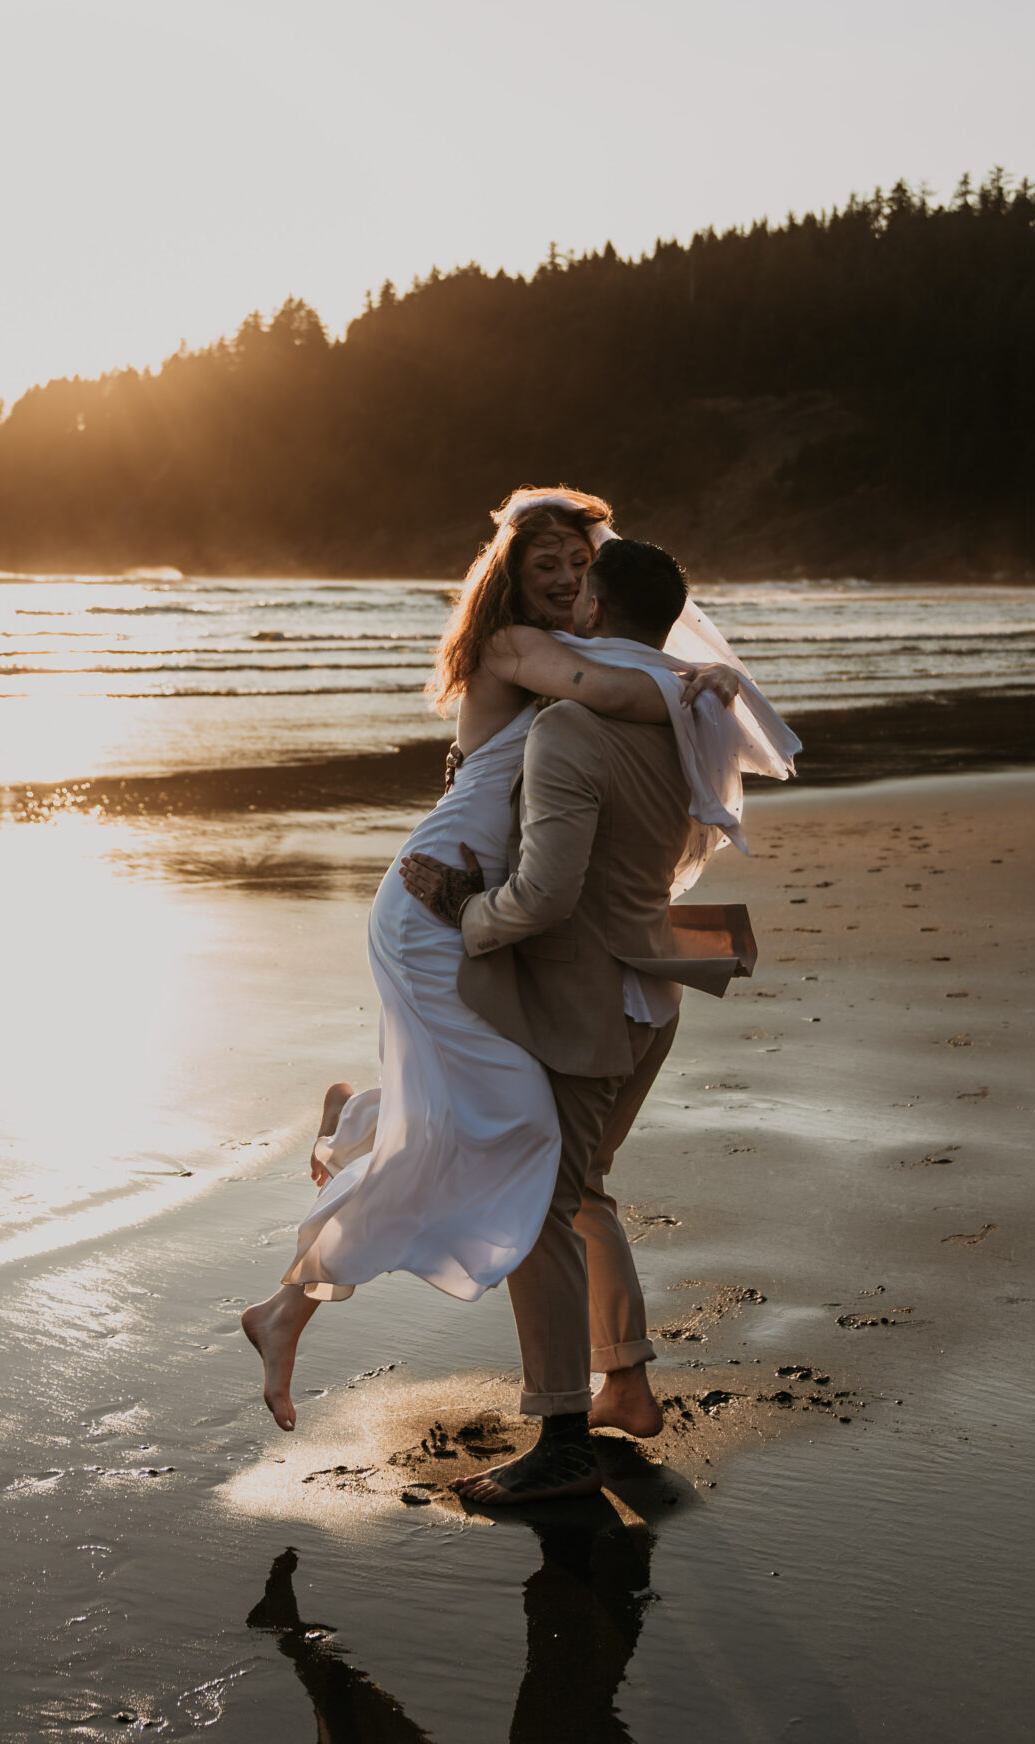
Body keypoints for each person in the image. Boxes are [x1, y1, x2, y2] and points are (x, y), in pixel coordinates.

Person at [241, 489, 798, 1432]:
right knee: (514, 1138)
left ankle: (347, 1162)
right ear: (509, 572)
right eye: (545, 563)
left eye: (578, 565)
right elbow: (610, 690)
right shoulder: (516, 649)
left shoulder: (580, 653)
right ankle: (311, 1259)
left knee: (523, 1145)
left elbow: (616, 683)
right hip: (437, 902)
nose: (565, 578)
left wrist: (692, 680)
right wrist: (697, 683)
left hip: (492, 908)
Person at [400, 535, 773, 1504]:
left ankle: (561, 1439)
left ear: (599, 613)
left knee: (536, 1216)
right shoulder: (688, 715)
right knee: (578, 1190)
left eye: (581, 594)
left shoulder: (570, 728)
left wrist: (464, 909)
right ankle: (627, 1385)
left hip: (585, 1006)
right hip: (654, 993)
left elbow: (546, 896)